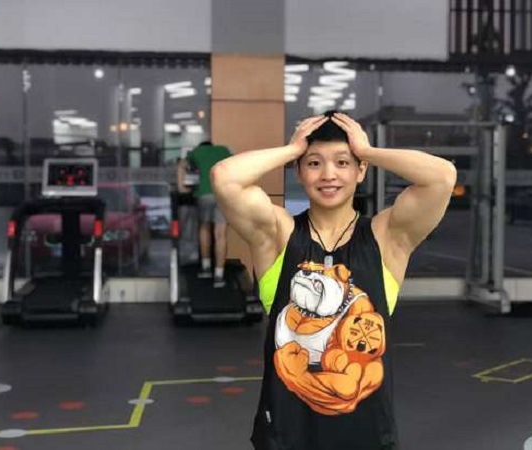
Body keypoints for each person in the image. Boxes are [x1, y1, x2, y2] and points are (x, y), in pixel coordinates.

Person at [211, 111, 456, 449]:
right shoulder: (278, 234)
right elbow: (224, 177)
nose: (328, 174)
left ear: (360, 171)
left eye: (342, 162)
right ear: (299, 171)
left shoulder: (386, 237)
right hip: (287, 436)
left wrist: (367, 151)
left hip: (366, 437)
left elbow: (443, 176)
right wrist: (292, 149)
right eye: (314, 164)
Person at [186, 141, 232, 287]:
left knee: (204, 228)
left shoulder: (196, 152)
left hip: (204, 194)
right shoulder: (224, 150)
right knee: (220, 234)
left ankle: (206, 268)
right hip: (222, 194)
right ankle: (219, 275)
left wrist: (182, 186)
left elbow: (183, 166)